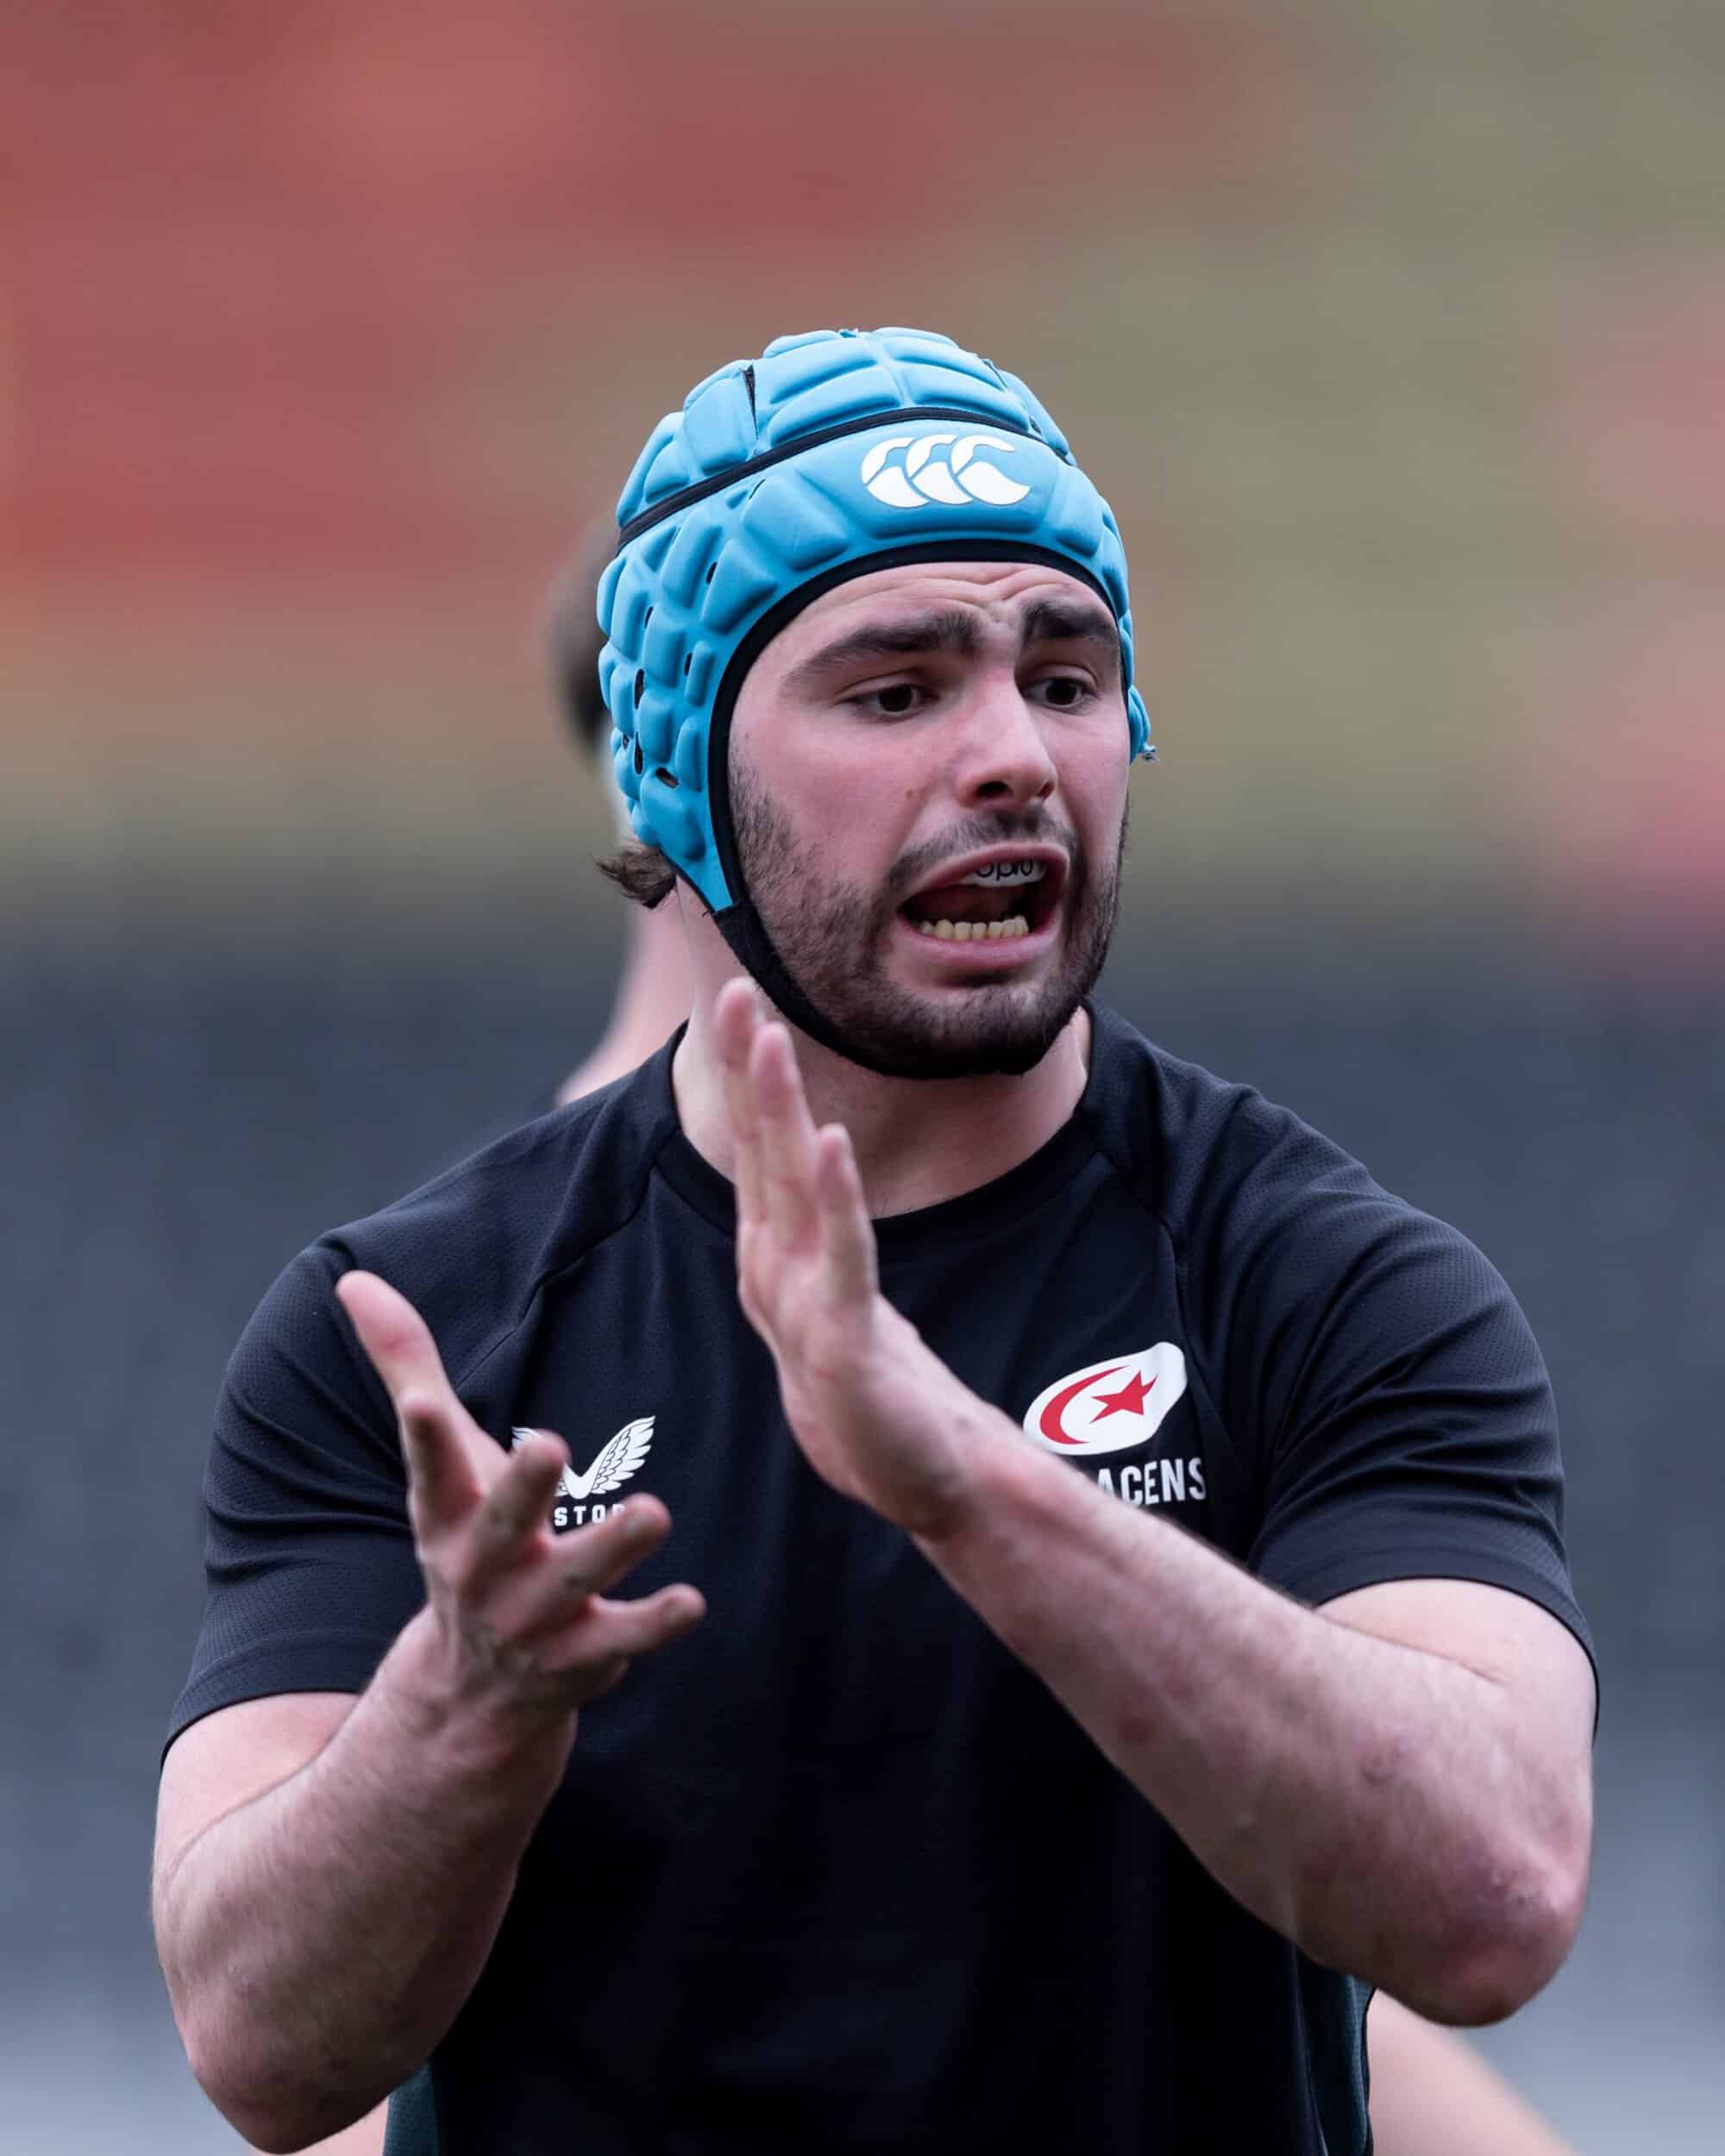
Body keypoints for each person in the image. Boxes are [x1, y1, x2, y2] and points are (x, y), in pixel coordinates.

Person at [154, 328, 1596, 2156]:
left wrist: (966, 1483)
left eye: (1065, 677)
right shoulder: (416, 1333)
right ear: (672, 770)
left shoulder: (1326, 1284)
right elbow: (260, 2053)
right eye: (895, 690)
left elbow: (1492, 1903)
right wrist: (466, 1707)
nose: (1010, 753)